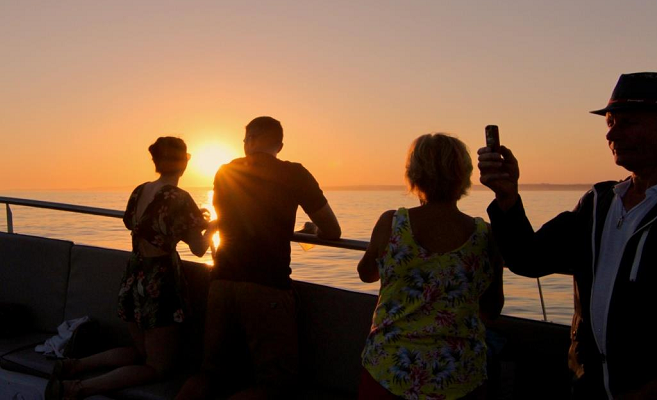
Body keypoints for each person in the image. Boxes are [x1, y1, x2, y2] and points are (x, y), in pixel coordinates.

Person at [477, 72, 657, 399]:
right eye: (610, 122)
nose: (611, 133)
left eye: (627, 122)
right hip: (586, 385)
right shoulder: (599, 203)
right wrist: (507, 199)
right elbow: (529, 258)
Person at [176, 116, 342, 400]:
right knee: (276, 385)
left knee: (210, 375)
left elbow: (230, 217)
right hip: (267, 287)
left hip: (222, 282)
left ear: (250, 141)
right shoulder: (295, 174)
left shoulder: (225, 171)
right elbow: (333, 231)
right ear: (279, 144)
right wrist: (310, 229)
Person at [46, 136, 217, 399]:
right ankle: (75, 389)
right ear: (186, 161)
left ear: (156, 162)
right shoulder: (179, 198)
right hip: (160, 283)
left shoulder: (139, 190)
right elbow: (198, 248)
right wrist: (215, 225)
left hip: (133, 276)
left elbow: (137, 224)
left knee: (140, 352)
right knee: (158, 367)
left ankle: (73, 366)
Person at [357, 133, 504, 400]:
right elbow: (492, 310)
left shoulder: (391, 223)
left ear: (414, 174)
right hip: (459, 374)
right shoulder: (486, 235)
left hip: (390, 369)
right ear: (464, 175)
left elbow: (366, 274)